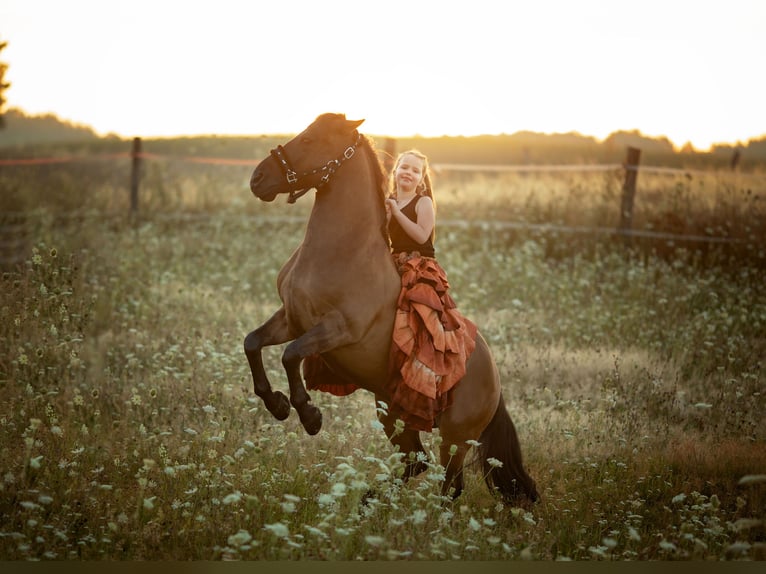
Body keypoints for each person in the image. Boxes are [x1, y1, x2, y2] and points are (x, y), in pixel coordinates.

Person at [384, 150, 477, 431]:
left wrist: (396, 212)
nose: (408, 173)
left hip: (419, 264)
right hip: (393, 261)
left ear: (421, 178)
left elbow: (421, 235)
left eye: (415, 170)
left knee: (422, 319)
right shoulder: (388, 200)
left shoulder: (422, 202)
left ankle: (426, 377)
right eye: (405, 167)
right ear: (396, 170)